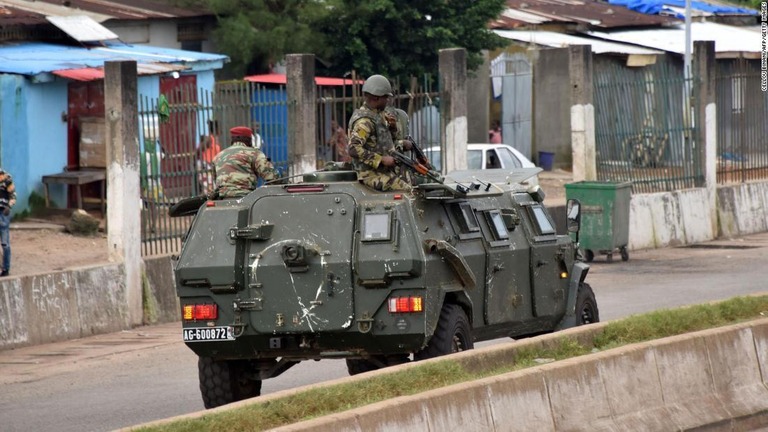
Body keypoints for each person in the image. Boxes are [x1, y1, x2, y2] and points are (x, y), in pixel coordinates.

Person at [347, 74, 413, 192]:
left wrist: (393, 130)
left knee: (415, 182)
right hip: (370, 174)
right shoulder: (364, 122)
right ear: (376, 98)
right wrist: (381, 159)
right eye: (385, 97)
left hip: (385, 171)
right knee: (409, 192)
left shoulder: (379, 115)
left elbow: (384, 143)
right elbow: (353, 148)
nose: (388, 100)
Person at [213, 126, 278, 198]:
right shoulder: (254, 153)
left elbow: (215, 178)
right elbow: (271, 177)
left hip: (222, 197)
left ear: (232, 140)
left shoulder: (218, 156)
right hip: (246, 197)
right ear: (249, 140)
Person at [0, 169, 15, 276]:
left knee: (5, 243)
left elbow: (13, 195)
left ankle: (6, 268)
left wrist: (9, 206)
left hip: (3, 212)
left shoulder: (6, 177)